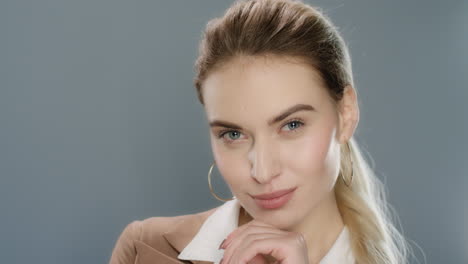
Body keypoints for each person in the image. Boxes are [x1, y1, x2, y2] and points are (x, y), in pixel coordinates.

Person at [109, 0, 412, 263]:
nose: (263, 172)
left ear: (346, 114)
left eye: (292, 125)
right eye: (233, 134)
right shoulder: (145, 249)